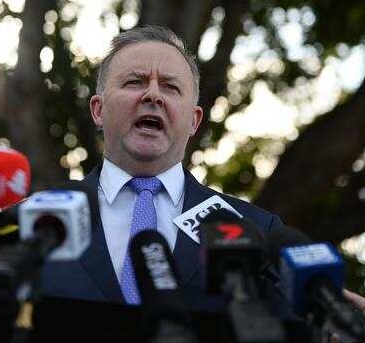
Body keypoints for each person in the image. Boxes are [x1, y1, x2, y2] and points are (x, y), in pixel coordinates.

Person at [40, 25, 286, 310]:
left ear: (194, 121)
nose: (153, 96)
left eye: (170, 86)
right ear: (98, 110)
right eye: (135, 82)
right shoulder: (35, 222)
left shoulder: (257, 230)